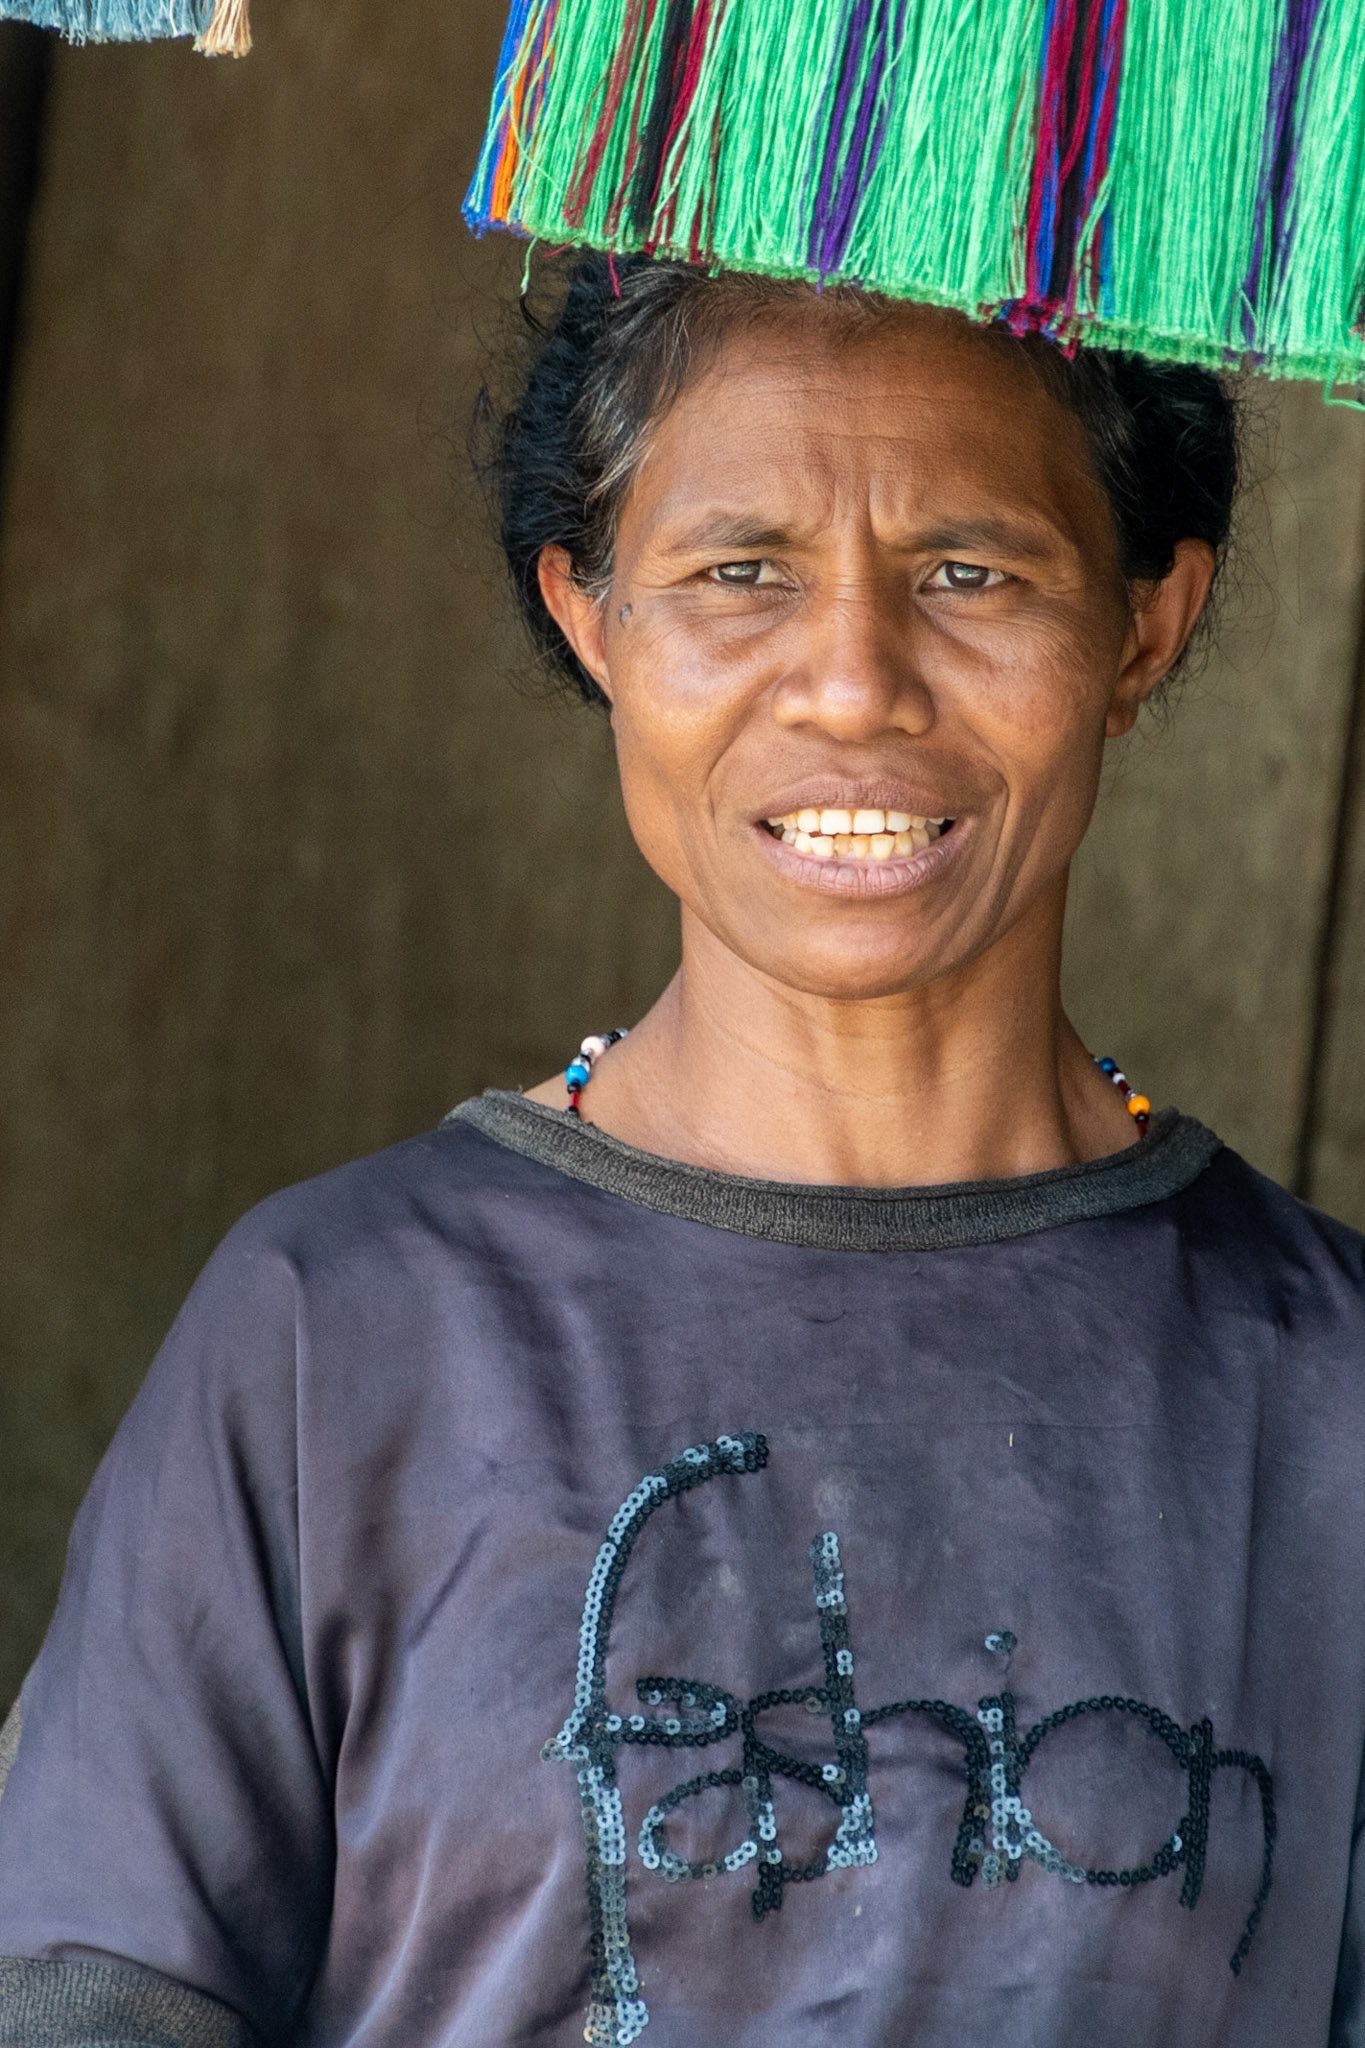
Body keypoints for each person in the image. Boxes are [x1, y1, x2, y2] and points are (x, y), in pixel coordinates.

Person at [0, 253, 1362, 2048]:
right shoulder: (333, 1341)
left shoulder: (1325, 1392)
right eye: (740, 573)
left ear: (1141, 622)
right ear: (592, 618)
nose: (853, 682)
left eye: (969, 572)